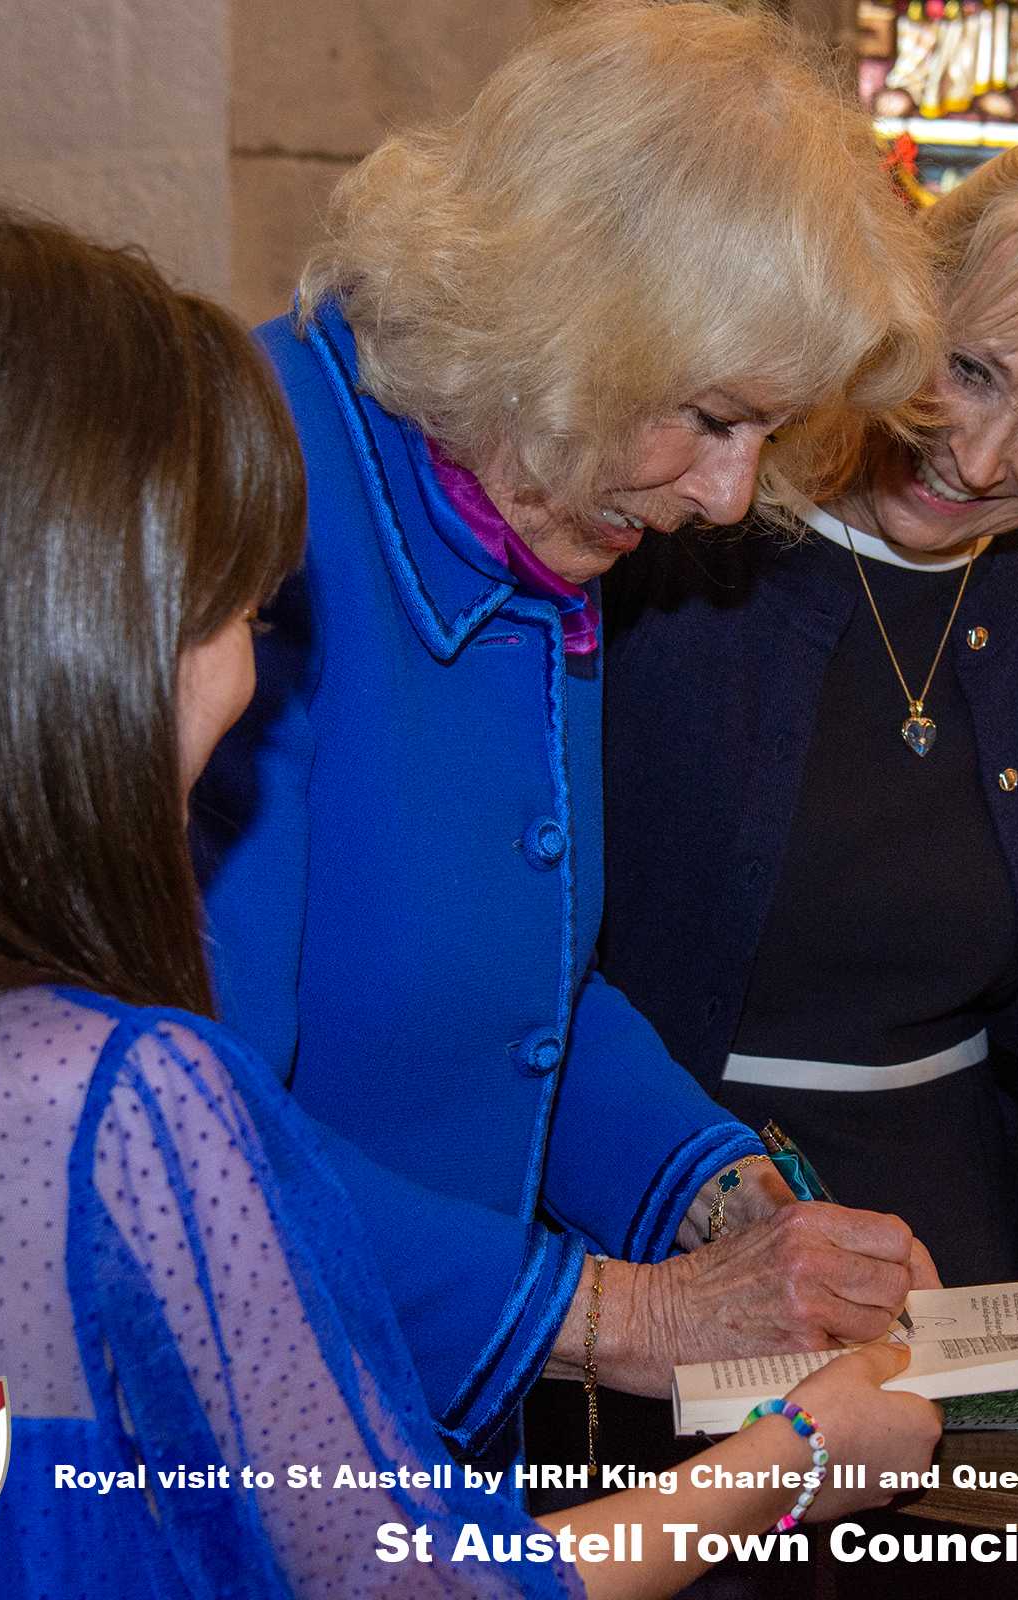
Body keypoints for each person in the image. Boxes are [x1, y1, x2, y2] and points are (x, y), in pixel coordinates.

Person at [0, 206, 939, 1598]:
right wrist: (793, 1454)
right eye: (242, 618)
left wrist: (710, 1191)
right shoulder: (119, 1096)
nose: (249, 686)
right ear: (88, 642)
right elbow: (411, 1583)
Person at [192, 0, 947, 1475]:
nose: (731, 499)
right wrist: (615, 1313)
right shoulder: (259, 488)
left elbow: (515, 994)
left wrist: (721, 1198)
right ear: (571, 322)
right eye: (712, 418)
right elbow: (195, 1134)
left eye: (764, 436)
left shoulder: (534, 487)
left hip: (414, 1425)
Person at [599, 110, 1018, 1287]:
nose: (980, 459)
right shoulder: (678, 545)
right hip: (668, 1220)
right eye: (970, 369)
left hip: (957, 1243)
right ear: (902, 306)